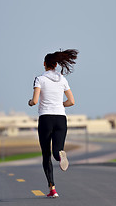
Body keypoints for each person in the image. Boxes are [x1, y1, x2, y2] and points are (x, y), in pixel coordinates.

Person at [28, 49, 78, 198]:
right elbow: (72, 101)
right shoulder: (62, 79)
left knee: (46, 155)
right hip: (61, 118)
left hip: (46, 118)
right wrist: (60, 104)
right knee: (57, 152)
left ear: (44, 64)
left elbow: (35, 100)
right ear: (56, 64)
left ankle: (53, 189)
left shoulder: (40, 79)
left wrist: (30, 102)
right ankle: (61, 155)